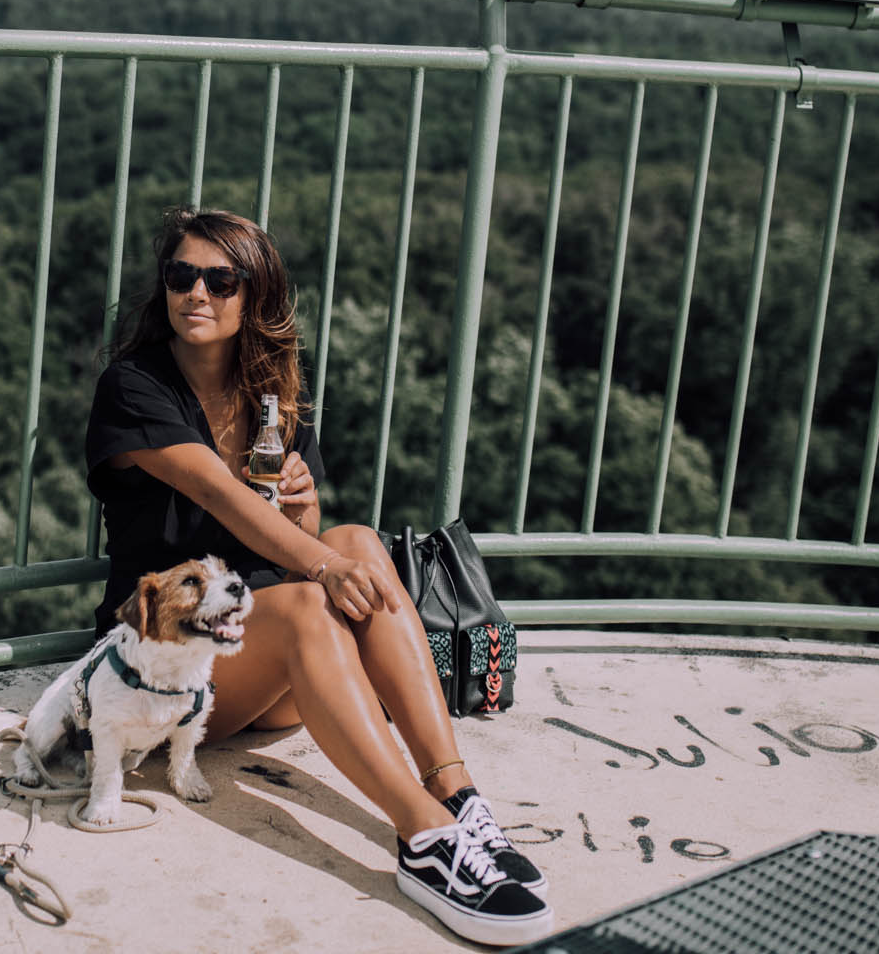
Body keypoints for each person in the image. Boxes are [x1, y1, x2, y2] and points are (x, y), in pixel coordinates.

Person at [84, 206, 554, 947]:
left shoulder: (271, 393)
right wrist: (322, 564)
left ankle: (457, 796)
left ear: (253, 297)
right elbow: (221, 496)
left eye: (220, 281)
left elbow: (297, 543)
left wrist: (307, 514)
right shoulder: (134, 386)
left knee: (357, 539)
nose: (196, 293)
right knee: (315, 592)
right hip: (165, 670)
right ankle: (425, 839)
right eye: (181, 275)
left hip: (258, 665)